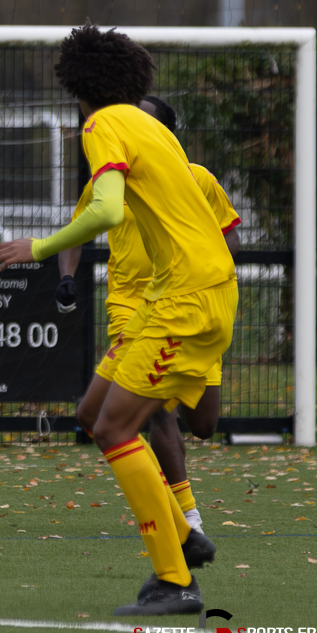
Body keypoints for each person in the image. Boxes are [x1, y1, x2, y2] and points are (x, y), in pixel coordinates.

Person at [0, 24, 238, 616]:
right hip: (183, 294)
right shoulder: (149, 125)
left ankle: (176, 580)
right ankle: (185, 533)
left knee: (113, 430)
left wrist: (41, 248)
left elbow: (106, 208)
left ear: (74, 82)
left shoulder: (103, 124)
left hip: (183, 298)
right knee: (91, 413)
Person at [56, 95, 242, 535]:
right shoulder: (112, 177)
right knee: (146, 412)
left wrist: (206, 268)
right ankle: (186, 522)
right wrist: (65, 276)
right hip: (131, 306)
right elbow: (79, 227)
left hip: (189, 302)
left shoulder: (198, 180)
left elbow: (230, 236)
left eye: (141, 120)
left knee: (203, 425)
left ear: (163, 134)